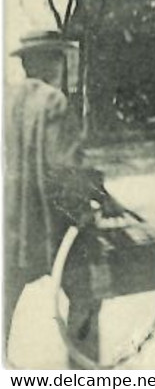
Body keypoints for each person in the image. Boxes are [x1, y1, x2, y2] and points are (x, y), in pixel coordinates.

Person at [4, 32, 101, 366]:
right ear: (51, 62)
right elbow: (65, 170)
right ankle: (83, 375)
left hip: (9, 226)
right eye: (59, 58)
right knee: (86, 294)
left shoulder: (6, 101)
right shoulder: (54, 102)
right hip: (51, 228)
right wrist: (93, 203)